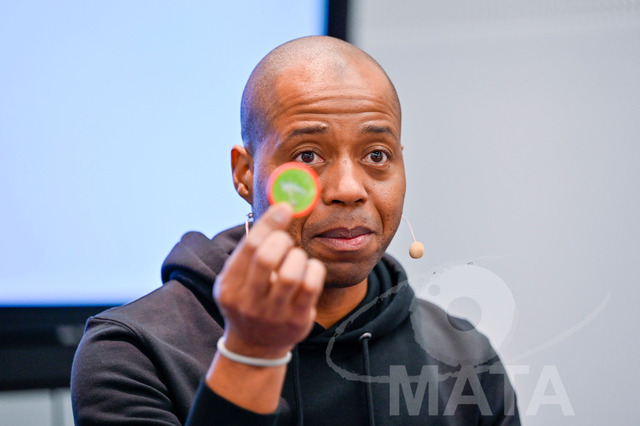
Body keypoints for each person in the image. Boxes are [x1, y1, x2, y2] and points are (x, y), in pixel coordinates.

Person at [71, 36, 520, 425]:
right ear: (245, 174)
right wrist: (250, 353)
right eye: (308, 155)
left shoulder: (462, 354)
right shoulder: (132, 352)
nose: (349, 189)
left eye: (377, 155)